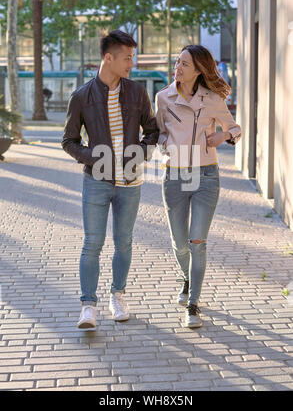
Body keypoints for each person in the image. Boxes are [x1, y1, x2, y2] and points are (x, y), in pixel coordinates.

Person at [61, 30, 159, 329]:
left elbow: (152, 131)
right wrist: (95, 158)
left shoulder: (137, 92)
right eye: (127, 58)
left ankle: (118, 295)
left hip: (130, 181)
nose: (132, 63)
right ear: (108, 58)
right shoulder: (81, 96)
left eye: (133, 57)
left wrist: (139, 154)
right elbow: (69, 141)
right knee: (92, 243)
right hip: (97, 180)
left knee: (124, 242)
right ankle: (88, 305)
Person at [155, 45, 241, 328]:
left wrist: (224, 135)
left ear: (198, 70)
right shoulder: (163, 98)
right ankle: (187, 277)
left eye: (184, 64)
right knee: (180, 244)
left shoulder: (213, 99)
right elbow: (158, 134)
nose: (177, 68)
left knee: (197, 243)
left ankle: (193, 305)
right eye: (177, 62)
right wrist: (168, 146)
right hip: (175, 175)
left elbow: (235, 128)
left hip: (206, 175)